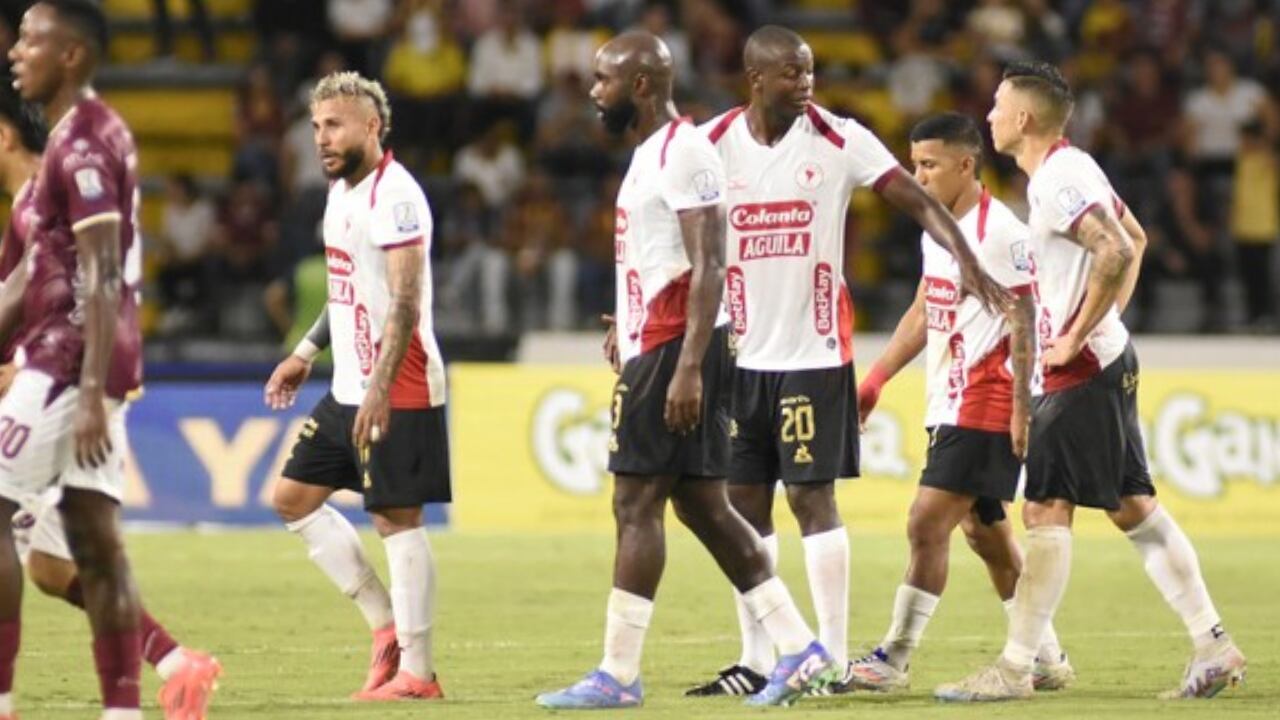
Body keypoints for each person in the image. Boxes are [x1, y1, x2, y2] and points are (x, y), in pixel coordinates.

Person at [685, 27, 1011, 698]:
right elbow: (674, 228)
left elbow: (916, 200)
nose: (805, 83)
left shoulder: (840, 138)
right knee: (743, 508)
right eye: (791, 74)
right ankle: (761, 657)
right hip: (742, 355)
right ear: (755, 77)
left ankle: (828, 656)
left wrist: (967, 259)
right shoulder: (710, 145)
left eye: (809, 71)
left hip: (814, 355)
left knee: (811, 499)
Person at [535, 31, 839, 710]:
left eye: (603, 80)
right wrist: (630, 320)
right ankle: (800, 648)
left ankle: (618, 673)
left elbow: (710, 264)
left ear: (641, 84)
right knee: (705, 506)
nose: (593, 91)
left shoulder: (684, 151)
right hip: (662, 341)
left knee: (634, 502)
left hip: (679, 351)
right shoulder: (652, 155)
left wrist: (688, 367)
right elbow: (661, 260)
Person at [936, 61, 1247, 702]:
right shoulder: (1076, 169)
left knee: (1046, 508)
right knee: (1132, 506)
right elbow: (1133, 236)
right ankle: (1214, 646)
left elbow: (1114, 249)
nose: (989, 114)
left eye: (997, 104)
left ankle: (1018, 668)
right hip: (1105, 359)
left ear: (1023, 118)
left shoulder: (1057, 179)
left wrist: (1076, 334)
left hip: (1081, 369)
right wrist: (1104, 323)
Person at [0, 75, 221, 720]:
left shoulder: (43, 197)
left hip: (61, 385)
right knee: (50, 563)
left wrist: (69, 373)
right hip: (73, 380)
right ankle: (177, 667)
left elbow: (59, 294)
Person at [849, 112, 1071, 693]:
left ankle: (893, 658)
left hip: (988, 398)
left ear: (966, 165)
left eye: (929, 165)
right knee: (985, 533)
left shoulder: (1001, 233)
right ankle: (1045, 655)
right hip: (949, 400)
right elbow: (926, 310)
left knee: (927, 522)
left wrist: (1022, 407)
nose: (916, 176)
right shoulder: (937, 229)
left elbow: (1025, 320)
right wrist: (875, 380)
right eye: (913, 163)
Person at [263, 70, 450, 702]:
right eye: (316, 126)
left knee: (396, 519)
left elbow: (403, 301)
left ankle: (419, 675)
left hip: (400, 384)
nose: (321, 138)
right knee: (292, 498)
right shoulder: (340, 194)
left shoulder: (394, 197)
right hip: (349, 384)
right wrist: (304, 352)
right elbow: (348, 290)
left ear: (372, 126)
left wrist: (379, 385)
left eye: (334, 125)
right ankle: (386, 629)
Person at [0, 2, 160, 718]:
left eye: (32, 41)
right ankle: (122, 710)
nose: (15, 53)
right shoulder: (70, 143)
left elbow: (99, 272)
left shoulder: (86, 143)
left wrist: (92, 389)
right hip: (86, 362)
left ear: (72, 55)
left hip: (67, 361)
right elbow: (33, 273)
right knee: (94, 541)